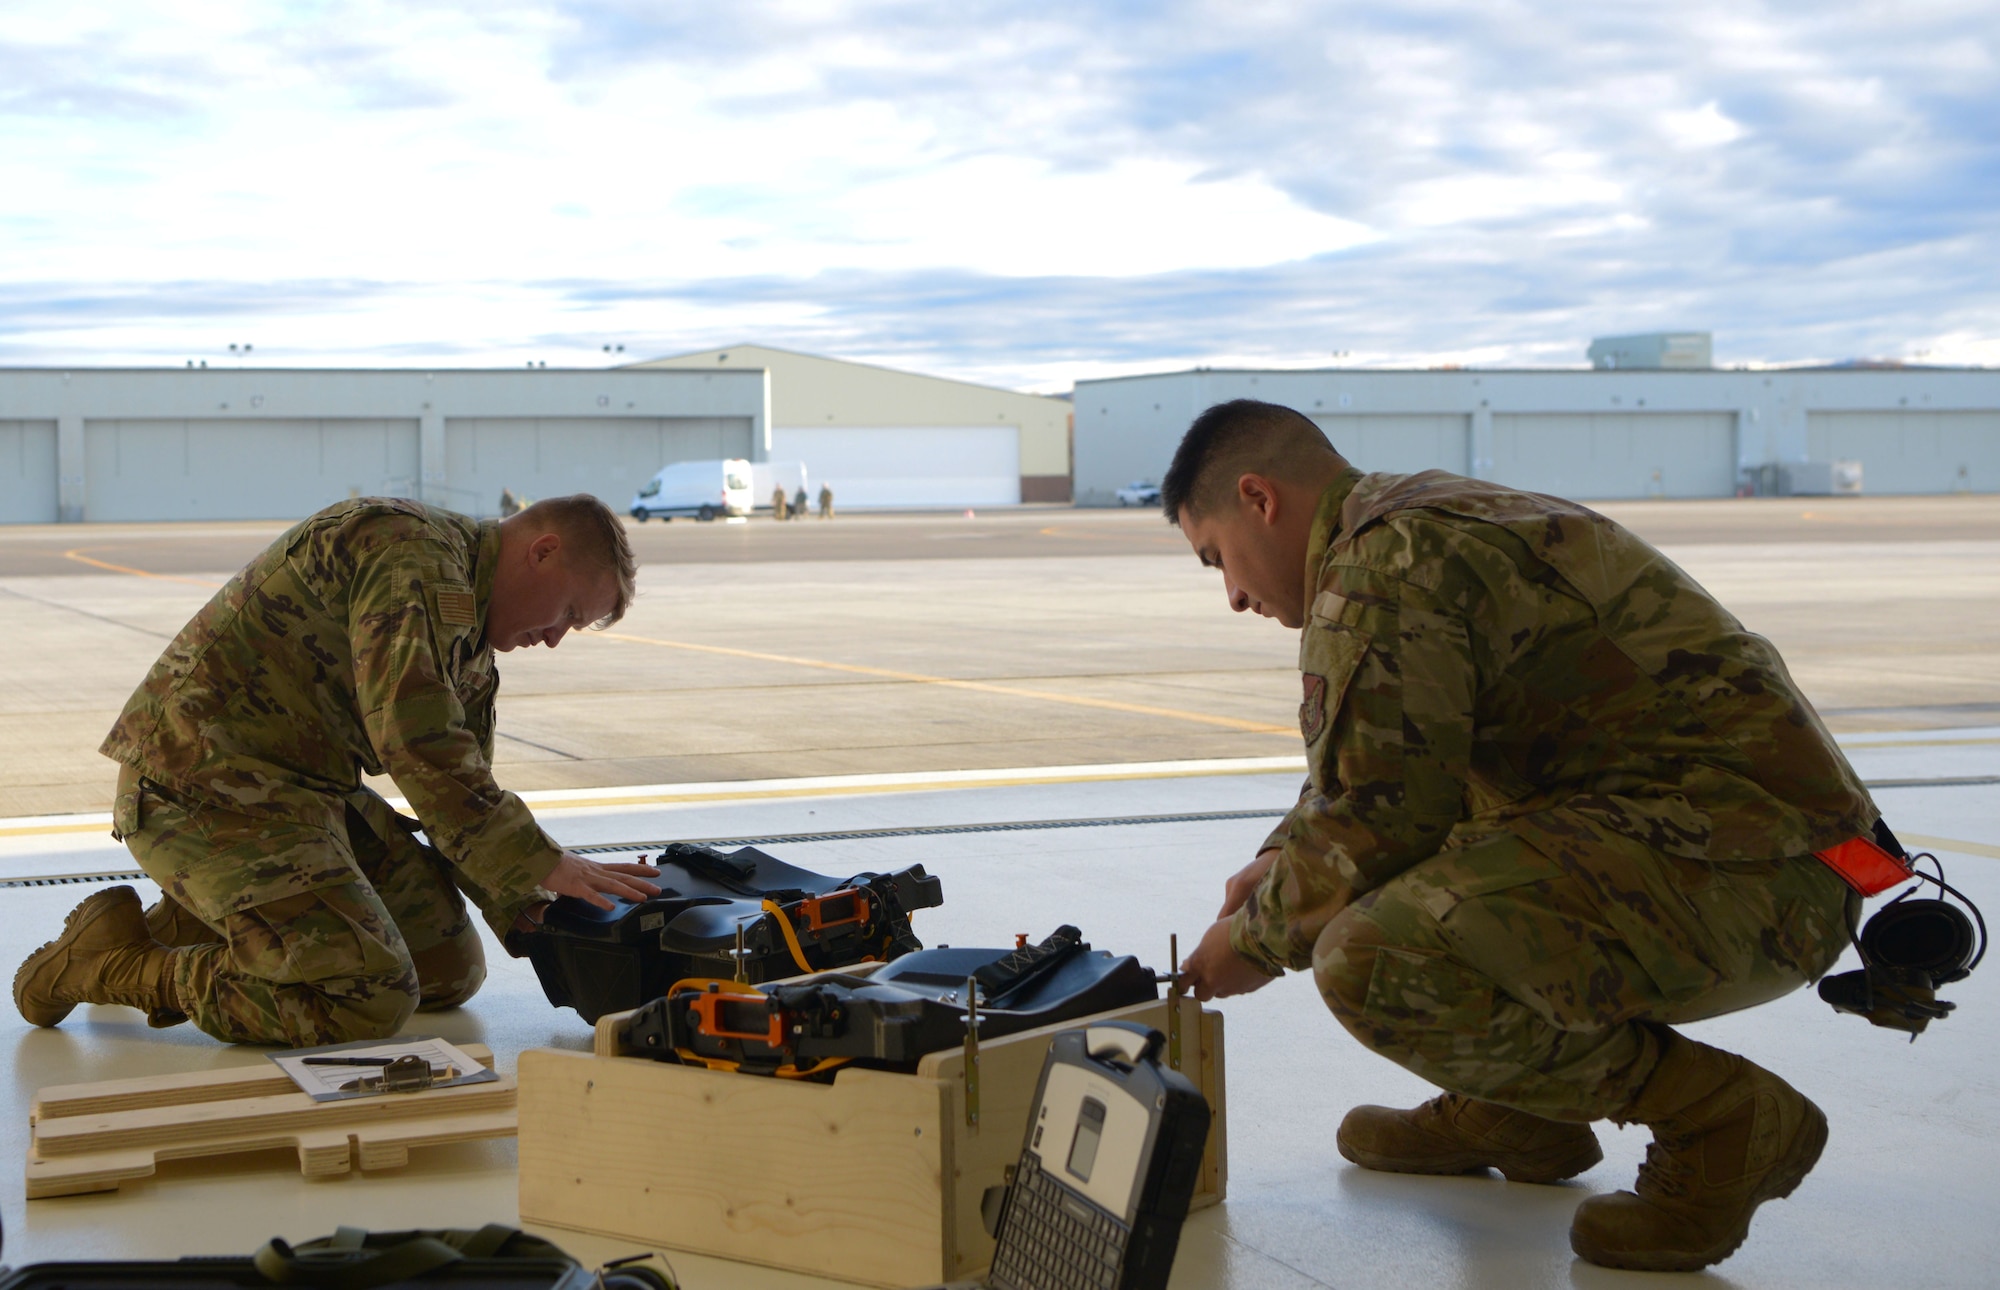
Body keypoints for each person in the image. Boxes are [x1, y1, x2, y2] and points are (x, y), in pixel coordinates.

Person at [1168, 400, 1875, 1273]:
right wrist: (1282, 853)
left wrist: (1253, 941)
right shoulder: (1411, 522)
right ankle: (1521, 1105)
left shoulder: (1381, 568)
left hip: (1766, 877)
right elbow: (1397, 759)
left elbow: (1381, 816)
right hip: (1733, 843)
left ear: (1258, 498)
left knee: (1373, 959)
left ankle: (1722, 1117)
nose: (1233, 595)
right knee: (1409, 867)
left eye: (1217, 560)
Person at [14, 494, 661, 1047]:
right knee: (368, 993)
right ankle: (108, 964)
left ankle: (199, 920)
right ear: (542, 551)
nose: (555, 638)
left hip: (302, 794)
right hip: (202, 781)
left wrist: (532, 908)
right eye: (571, 614)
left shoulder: (470, 643)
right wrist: (547, 863)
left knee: (446, 969)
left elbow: (459, 803)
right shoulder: (415, 553)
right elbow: (416, 741)